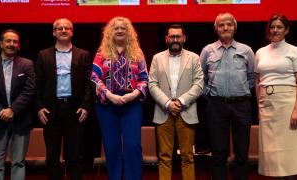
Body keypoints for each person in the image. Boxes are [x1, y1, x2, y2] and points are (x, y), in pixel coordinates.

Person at [255, 13, 297, 178]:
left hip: (288, 103)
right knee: (273, 156)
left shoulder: (294, 51)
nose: (275, 30)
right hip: (267, 104)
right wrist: (259, 106)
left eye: (279, 27)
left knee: (288, 157)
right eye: (272, 26)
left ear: (286, 30)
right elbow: (257, 81)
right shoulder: (260, 52)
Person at [35, 18, 94, 180]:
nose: (63, 30)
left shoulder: (83, 55)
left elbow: (90, 84)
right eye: (59, 28)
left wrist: (86, 106)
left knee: (75, 156)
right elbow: (36, 83)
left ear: (71, 32)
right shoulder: (43, 55)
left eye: (66, 28)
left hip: (75, 110)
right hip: (50, 111)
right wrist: (39, 106)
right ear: (53, 32)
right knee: (52, 156)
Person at [91, 16, 148, 180]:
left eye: (123, 28)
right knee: (112, 146)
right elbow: (94, 77)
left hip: (132, 103)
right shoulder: (102, 52)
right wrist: (109, 95)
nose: (120, 30)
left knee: (132, 145)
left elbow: (145, 79)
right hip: (107, 104)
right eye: (116, 28)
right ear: (110, 32)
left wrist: (133, 95)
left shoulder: (137, 53)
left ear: (129, 32)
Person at [199, 12, 255, 180]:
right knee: (218, 152)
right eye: (221, 25)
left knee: (242, 152)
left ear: (234, 27)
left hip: (241, 105)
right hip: (216, 106)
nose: (225, 27)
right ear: (216, 29)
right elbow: (200, 79)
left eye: (229, 24)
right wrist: (210, 94)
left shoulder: (246, 50)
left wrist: (241, 92)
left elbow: (252, 77)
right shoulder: (207, 51)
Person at [0, 29, 36, 180]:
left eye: (15, 41)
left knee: (19, 163)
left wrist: (12, 110)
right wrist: (0, 111)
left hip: (20, 120)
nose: (11, 44)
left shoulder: (27, 64)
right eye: (8, 41)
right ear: (1, 44)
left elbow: (30, 90)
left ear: (19, 45)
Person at [149, 24, 204, 180]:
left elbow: (199, 83)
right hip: (163, 111)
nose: (175, 39)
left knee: (187, 156)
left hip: (185, 111)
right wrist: (168, 103)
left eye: (178, 36)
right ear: (166, 39)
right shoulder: (157, 58)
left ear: (184, 38)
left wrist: (180, 101)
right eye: (172, 36)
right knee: (164, 156)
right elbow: (152, 84)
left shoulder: (194, 57)